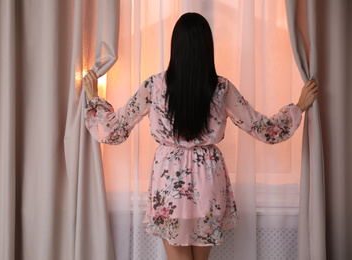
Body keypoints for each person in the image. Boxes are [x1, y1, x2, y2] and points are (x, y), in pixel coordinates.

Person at [83, 12, 318, 260]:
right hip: (208, 179)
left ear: (176, 47)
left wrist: (93, 98)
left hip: (169, 179)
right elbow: (263, 128)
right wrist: (299, 107)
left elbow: (115, 128)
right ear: (208, 48)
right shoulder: (221, 88)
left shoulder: (153, 86)